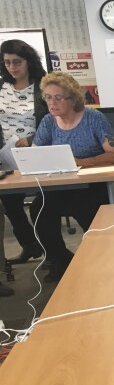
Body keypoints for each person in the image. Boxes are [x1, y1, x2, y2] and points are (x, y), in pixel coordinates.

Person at [31, 72, 114, 282]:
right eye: (47, 97)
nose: (52, 103)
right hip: (61, 185)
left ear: (73, 99)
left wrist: (81, 161)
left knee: (85, 206)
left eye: (58, 98)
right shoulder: (48, 122)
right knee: (39, 209)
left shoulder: (93, 118)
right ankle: (60, 259)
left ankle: (103, 258)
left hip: (92, 183)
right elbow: (36, 153)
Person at [0, 39, 48, 268]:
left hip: (36, 150)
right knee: (10, 203)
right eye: (7, 62)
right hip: (6, 154)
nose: (12, 67)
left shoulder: (43, 85)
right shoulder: (2, 86)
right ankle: (30, 245)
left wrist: (31, 140)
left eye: (17, 62)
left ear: (28, 61)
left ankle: (52, 250)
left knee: (44, 202)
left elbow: (53, 120)